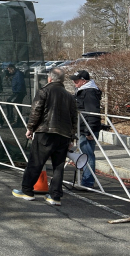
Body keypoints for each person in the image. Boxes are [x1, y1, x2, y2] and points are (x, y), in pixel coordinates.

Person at [13, 67, 77, 206]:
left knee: (35, 162)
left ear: (49, 78)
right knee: (58, 166)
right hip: (63, 135)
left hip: (45, 132)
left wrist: (30, 128)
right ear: (62, 80)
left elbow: (36, 111)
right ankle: (55, 196)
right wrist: (72, 137)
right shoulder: (69, 96)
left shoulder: (44, 91)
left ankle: (27, 190)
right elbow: (74, 118)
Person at [70, 70, 102, 189]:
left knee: (88, 155)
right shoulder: (83, 91)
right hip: (82, 127)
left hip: (87, 128)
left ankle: (87, 182)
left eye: (76, 80)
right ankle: (85, 180)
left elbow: (93, 112)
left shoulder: (89, 92)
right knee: (86, 154)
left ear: (84, 81)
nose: (74, 82)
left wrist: (90, 130)